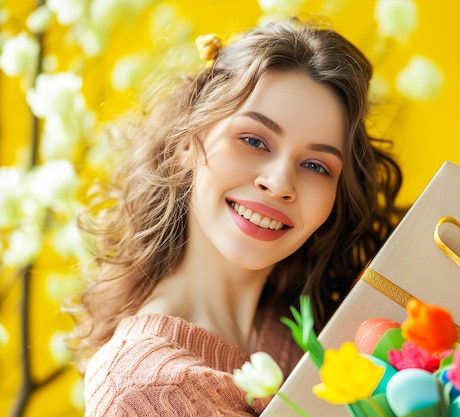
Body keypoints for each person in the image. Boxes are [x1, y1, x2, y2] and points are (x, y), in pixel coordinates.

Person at [66, 16, 405, 417]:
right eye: (254, 140)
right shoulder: (141, 390)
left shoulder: (331, 331)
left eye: (316, 166)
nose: (280, 183)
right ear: (187, 142)